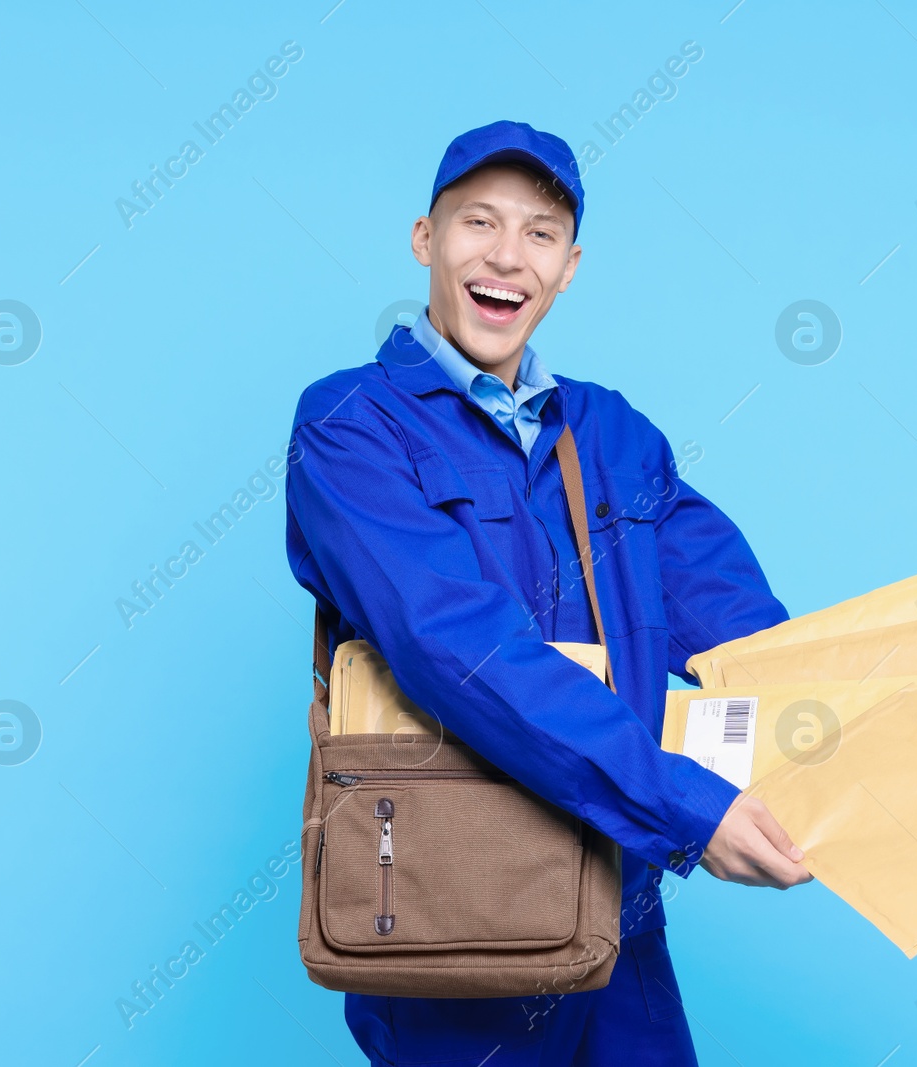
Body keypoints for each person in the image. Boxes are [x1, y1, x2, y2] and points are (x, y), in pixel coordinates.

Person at [285, 120, 810, 1066]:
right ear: (424, 239)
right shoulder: (349, 426)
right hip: (455, 911)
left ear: (569, 266)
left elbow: (752, 634)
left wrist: (904, 733)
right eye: (477, 222)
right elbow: (462, 651)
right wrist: (686, 805)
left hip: (619, 911)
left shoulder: (613, 435)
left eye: (538, 233)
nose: (505, 255)